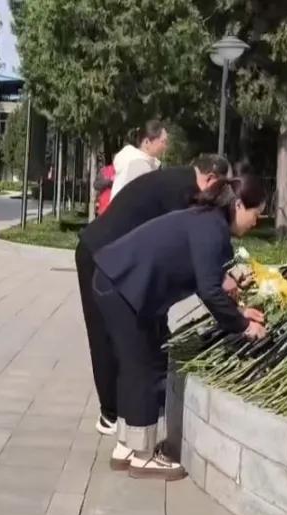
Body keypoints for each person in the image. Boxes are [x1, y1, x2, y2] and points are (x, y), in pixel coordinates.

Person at [92, 174, 269, 479]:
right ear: (239, 205)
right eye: (257, 213)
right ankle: (143, 456)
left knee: (135, 366)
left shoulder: (207, 220)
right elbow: (209, 290)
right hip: (123, 287)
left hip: (117, 282)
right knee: (143, 367)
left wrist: (238, 310)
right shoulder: (211, 227)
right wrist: (243, 326)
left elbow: (207, 278)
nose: (256, 222)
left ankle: (126, 446)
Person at [76, 154, 231, 436]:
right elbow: (190, 248)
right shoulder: (183, 191)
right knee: (104, 336)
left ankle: (140, 406)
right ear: (210, 178)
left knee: (141, 334)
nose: (221, 197)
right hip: (99, 254)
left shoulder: (177, 180)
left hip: (117, 260)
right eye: (220, 187)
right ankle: (110, 414)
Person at [109, 120, 169, 198]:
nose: (165, 146)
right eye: (163, 141)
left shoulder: (144, 163)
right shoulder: (138, 165)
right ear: (147, 142)